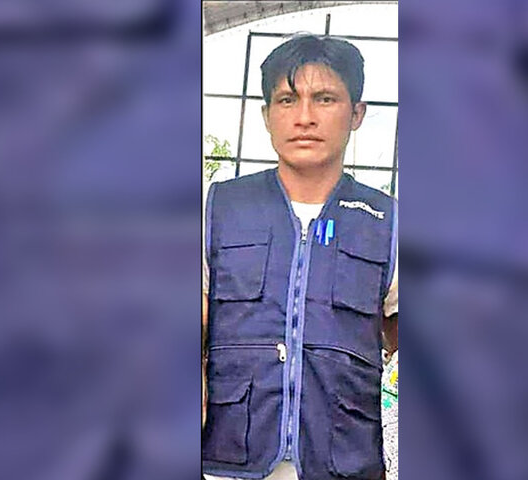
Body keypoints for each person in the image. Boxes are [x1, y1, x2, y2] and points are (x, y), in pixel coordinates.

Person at [202, 34, 398, 480]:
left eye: (325, 99)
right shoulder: (217, 209)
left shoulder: (388, 223)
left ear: (357, 114)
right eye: (287, 100)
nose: (304, 117)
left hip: (344, 465)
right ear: (266, 115)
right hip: (227, 465)